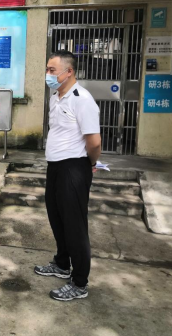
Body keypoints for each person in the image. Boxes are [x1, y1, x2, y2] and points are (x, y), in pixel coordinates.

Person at [34, 50, 101, 301]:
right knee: (57, 218)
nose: (48, 74)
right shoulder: (56, 97)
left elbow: (94, 141)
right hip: (55, 167)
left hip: (74, 168)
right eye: (47, 69)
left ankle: (79, 282)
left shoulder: (82, 99)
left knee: (75, 226)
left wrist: (90, 163)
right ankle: (62, 264)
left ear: (69, 71)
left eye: (52, 70)